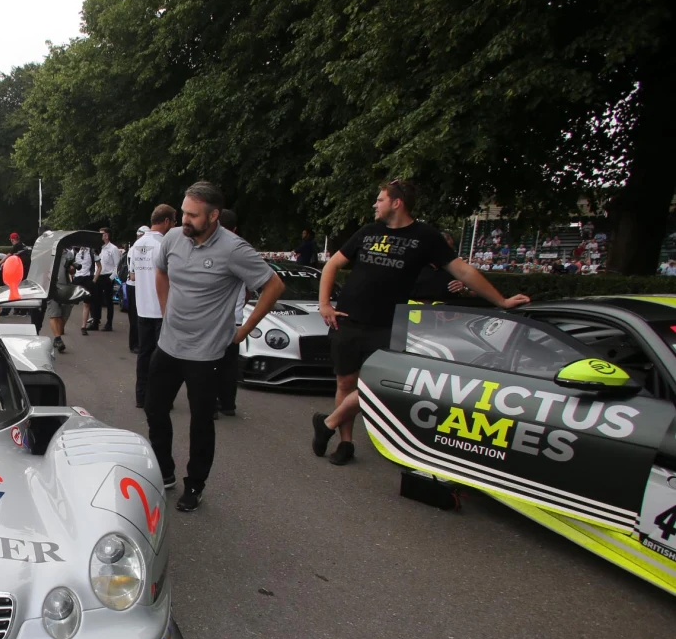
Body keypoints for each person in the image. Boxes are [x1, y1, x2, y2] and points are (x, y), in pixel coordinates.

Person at [311, 180, 529, 465]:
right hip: (348, 320)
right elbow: (332, 265)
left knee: (377, 384)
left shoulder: (425, 236)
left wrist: (501, 301)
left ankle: (327, 422)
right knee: (346, 382)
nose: (375, 205)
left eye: (380, 200)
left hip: (389, 324)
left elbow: (462, 270)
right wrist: (325, 303)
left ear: (396, 203)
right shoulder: (367, 232)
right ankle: (345, 443)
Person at [147, 183, 284, 512]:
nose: (185, 219)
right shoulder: (173, 239)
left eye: (193, 215)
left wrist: (243, 331)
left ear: (213, 216)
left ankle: (194, 485)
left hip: (206, 353)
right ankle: (164, 472)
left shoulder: (234, 249)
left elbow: (274, 285)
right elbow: (161, 272)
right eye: (183, 212)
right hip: (168, 346)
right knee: (154, 410)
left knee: (200, 422)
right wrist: (166, 313)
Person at [130, 206, 174, 405]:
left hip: (142, 307)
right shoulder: (164, 244)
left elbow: (132, 275)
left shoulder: (136, 246)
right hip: (161, 308)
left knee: (144, 354)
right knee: (162, 356)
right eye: (173, 222)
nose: (174, 226)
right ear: (166, 221)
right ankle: (159, 396)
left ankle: (141, 395)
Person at [214, 209, 245, 418]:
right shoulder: (243, 250)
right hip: (236, 318)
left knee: (211, 362)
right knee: (230, 364)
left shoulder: (214, 248)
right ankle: (228, 404)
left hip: (214, 318)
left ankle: (211, 403)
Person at [95, 229, 121, 332]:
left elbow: (117, 265)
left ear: (107, 236)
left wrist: (111, 278)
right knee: (97, 300)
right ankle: (96, 321)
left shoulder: (113, 248)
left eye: (102, 234)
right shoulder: (98, 248)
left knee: (108, 301)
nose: (100, 236)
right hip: (98, 276)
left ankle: (109, 323)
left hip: (108, 276)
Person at [73, 245, 96, 335]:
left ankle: (83, 326)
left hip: (87, 278)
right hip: (77, 278)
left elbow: (99, 266)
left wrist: (93, 280)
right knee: (70, 303)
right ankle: (62, 324)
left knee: (86, 304)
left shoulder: (92, 251)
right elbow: (70, 266)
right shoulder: (75, 251)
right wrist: (71, 277)